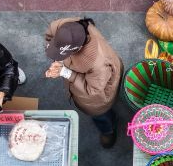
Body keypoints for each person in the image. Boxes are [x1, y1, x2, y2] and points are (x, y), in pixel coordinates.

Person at [43, 17, 123, 149]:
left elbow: (93, 91)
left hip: (99, 88)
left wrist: (65, 72)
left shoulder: (98, 63)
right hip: (92, 78)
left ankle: (108, 130)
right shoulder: (64, 27)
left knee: (100, 113)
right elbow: (49, 37)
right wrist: (59, 60)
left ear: (78, 49)